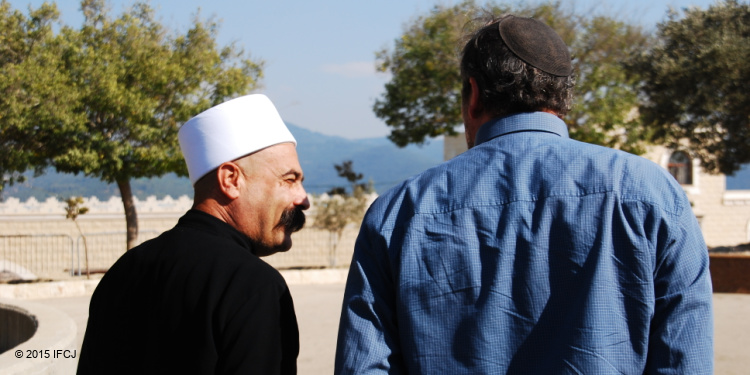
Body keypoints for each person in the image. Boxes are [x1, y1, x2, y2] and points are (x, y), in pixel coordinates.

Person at [335, 15, 713, 374]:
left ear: (474, 94)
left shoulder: (399, 212)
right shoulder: (652, 195)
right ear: (564, 98)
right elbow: (684, 360)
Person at [78, 94, 309, 375]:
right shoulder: (253, 285)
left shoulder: (125, 270)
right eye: (289, 180)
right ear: (231, 180)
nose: (303, 199)